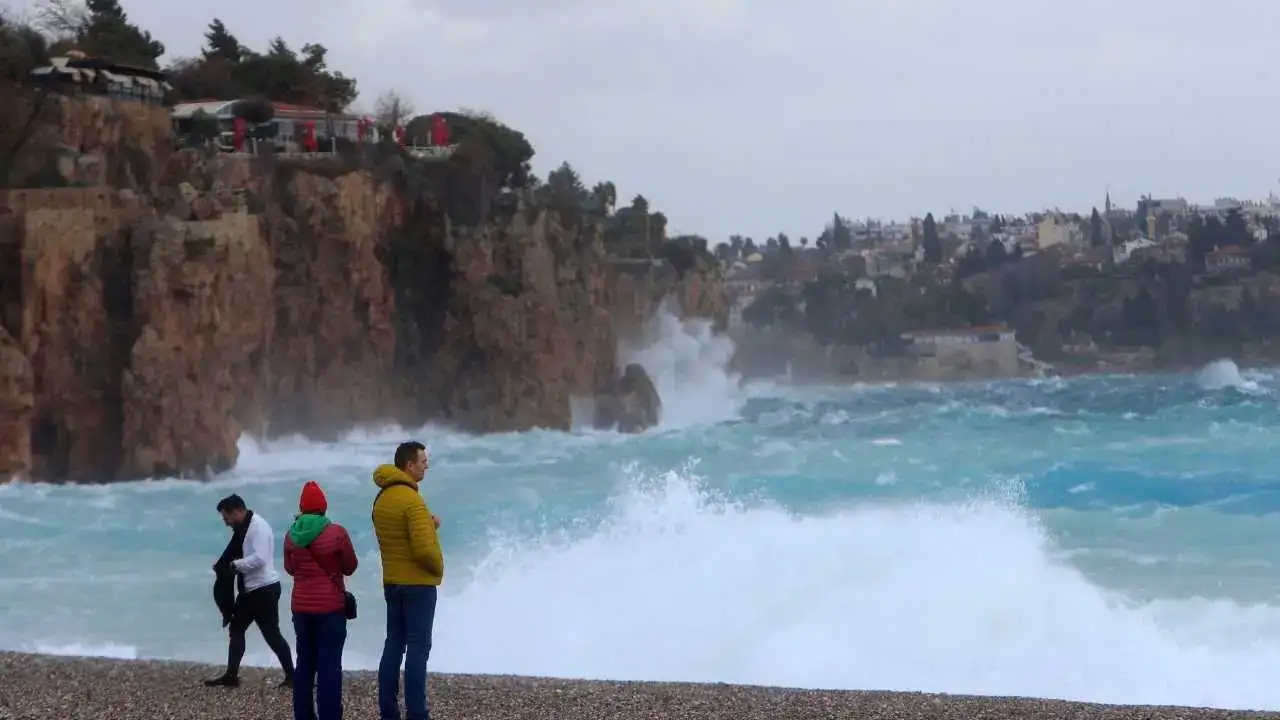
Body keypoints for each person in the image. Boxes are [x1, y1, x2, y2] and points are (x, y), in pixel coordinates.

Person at [372, 441, 444, 720]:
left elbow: (397, 535)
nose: (426, 465)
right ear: (408, 465)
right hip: (418, 584)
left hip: (392, 581)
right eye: (423, 461)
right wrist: (438, 567)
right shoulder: (412, 500)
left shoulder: (382, 498)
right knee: (417, 648)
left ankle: (388, 710)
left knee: (394, 644)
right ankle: (417, 712)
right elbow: (424, 550)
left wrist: (428, 524)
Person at [283, 481, 359, 720]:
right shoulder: (336, 533)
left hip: (301, 609)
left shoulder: (291, 535)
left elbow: (289, 569)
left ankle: (303, 716)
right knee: (329, 666)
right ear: (324, 507)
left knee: (304, 664)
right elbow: (350, 566)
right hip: (330, 609)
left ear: (302, 508)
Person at [205, 494, 295, 688]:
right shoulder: (243, 528)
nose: (225, 522)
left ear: (236, 511)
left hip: (264, 590)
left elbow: (260, 558)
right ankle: (231, 676)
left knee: (272, 634)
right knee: (236, 628)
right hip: (249, 591)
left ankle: (292, 676)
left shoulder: (258, 527)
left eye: (226, 517)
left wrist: (235, 565)